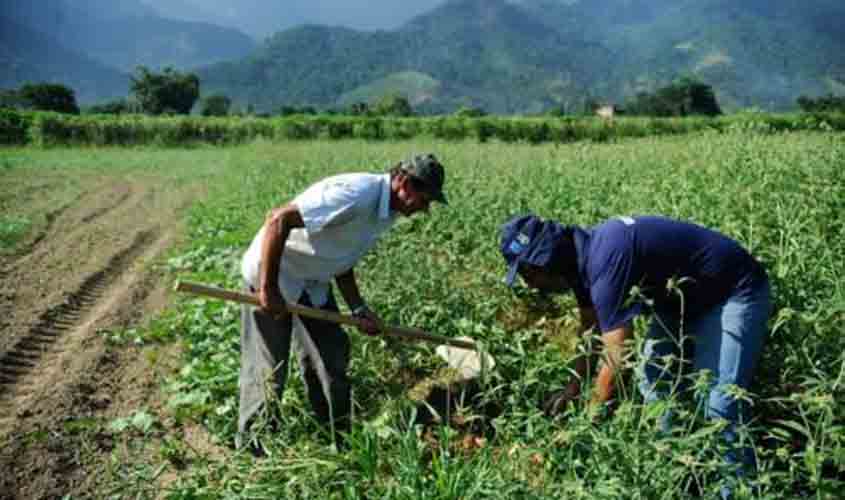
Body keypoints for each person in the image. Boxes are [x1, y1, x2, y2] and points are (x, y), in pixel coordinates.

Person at [500, 214, 771, 496]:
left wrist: (586, 424)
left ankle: (739, 490)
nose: (530, 285)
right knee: (653, 381)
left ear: (546, 259)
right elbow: (591, 330)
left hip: (732, 291)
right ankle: (678, 474)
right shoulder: (579, 263)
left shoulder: (606, 257)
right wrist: (573, 387)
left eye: (528, 274)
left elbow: (619, 358)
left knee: (719, 402)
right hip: (679, 301)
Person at [238, 153, 447, 450]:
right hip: (274, 275)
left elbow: (342, 257)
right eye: (424, 199)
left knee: (331, 357)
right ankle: (252, 448)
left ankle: (338, 439)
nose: (424, 209)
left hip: (312, 282)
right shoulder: (356, 195)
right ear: (403, 182)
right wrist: (268, 288)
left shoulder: (386, 213)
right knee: (269, 370)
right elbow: (278, 219)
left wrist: (358, 307)